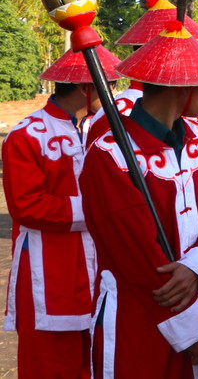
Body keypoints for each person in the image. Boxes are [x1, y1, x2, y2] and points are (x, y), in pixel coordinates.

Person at [82, 21, 198, 378]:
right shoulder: (108, 154)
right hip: (137, 312)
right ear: (182, 88)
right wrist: (190, 325)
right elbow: (136, 252)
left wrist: (195, 269)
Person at [2, 47, 118, 378]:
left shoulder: (98, 131)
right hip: (48, 266)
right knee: (50, 363)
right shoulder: (26, 135)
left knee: (94, 358)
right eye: (107, 84)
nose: (111, 93)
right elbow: (28, 206)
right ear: (88, 87)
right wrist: (99, 209)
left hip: (94, 265)